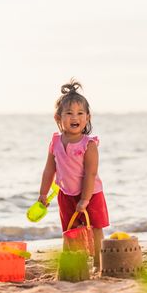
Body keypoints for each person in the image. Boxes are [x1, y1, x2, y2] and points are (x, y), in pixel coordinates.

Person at [38, 78, 109, 270]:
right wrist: (43, 194)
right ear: (58, 118)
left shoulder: (89, 145)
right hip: (66, 194)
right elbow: (49, 170)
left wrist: (85, 199)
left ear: (87, 117)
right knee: (69, 230)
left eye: (80, 113)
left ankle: (98, 263)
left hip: (91, 193)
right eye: (68, 113)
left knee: (95, 228)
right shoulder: (55, 142)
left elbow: (90, 174)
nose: (74, 117)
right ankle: (72, 263)